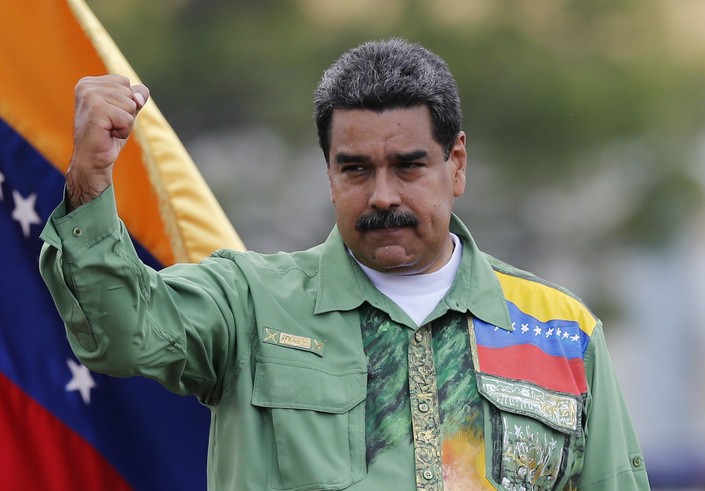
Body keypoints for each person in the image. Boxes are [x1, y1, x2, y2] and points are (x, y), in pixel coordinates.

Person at [39, 39, 650, 490]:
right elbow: (120, 333)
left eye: (408, 165)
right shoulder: (246, 302)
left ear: (456, 164)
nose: (382, 195)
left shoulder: (563, 333)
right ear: (328, 172)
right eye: (356, 168)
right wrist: (90, 182)